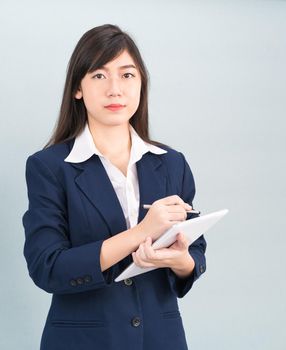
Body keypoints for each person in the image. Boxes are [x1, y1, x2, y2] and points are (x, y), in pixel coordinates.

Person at [22, 24, 207, 350]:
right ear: (77, 88)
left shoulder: (172, 163)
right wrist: (141, 233)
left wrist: (179, 261)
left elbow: (194, 253)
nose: (115, 89)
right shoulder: (48, 167)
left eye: (126, 75)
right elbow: (47, 267)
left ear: (141, 84)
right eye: (99, 76)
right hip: (82, 341)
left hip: (161, 340)